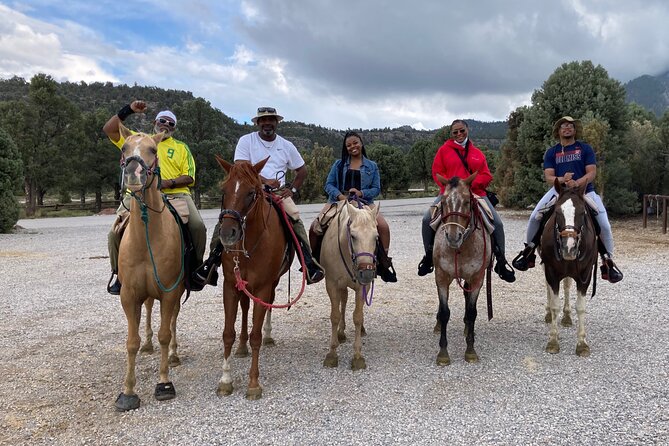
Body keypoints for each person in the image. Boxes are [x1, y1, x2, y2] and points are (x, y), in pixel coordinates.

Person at [196, 106, 324, 284]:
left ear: (276, 122)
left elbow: (302, 171)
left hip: (277, 192)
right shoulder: (246, 141)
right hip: (248, 190)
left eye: (270, 119)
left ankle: (308, 262)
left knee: (294, 216)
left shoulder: (287, 145)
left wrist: (292, 190)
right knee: (228, 215)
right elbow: (241, 167)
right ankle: (213, 261)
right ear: (257, 123)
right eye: (263, 120)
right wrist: (264, 181)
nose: (267, 123)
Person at [103, 100, 208, 294]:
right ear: (155, 121)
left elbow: (190, 176)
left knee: (197, 226)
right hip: (137, 193)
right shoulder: (137, 140)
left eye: (171, 123)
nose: (166, 125)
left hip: (176, 194)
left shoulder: (181, 148)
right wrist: (129, 110)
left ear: (174, 128)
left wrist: (166, 183)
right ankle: (120, 275)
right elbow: (109, 129)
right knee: (113, 233)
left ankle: (196, 269)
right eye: (163, 121)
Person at [511, 116, 623, 283]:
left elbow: (591, 172)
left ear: (575, 130)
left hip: (584, 192)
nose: (567, 128)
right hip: (559, 192)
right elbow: (549, 177)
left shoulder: (585, 149)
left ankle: (608, 262)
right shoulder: (552, 152)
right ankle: (528, 252)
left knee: (605, 225)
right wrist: (562, 179)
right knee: (535, 216)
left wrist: (577, 182)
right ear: (558, 131)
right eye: (563, 126)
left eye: (570, 126)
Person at [417, 119, 516, 282]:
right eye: (455, 132)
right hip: (449, 193)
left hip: (475, 193)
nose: (459, 134)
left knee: (497, 223)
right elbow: (437, 172)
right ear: (451, 134)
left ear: (467, 130)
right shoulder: (443, 151)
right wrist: (452, 187)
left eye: (461, 130)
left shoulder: (477, 153)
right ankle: (428, 257)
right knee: (427, 219)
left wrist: (469, 185)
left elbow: (486, 174)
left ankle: (501, 261)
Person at [309, 131, 397, 282]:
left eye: (355, 143)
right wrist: (341, 196)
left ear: (361, 143)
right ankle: (314, 263)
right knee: (315, 227)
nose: (352, 147)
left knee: (383, 227)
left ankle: (383, 262)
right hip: (338, 201)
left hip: (364, 201)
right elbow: (328, 184)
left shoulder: (372, 166)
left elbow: (376, 189)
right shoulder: (339, 164)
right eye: (348, 145)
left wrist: (361, 192)